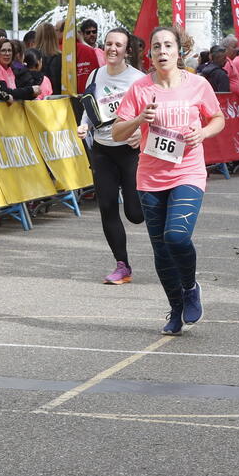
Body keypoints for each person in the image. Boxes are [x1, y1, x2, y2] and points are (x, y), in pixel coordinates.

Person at [112, 25, 224, 335]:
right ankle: (176, 308)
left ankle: (190, 287)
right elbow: (117, 132)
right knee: (161, 250)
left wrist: (201, 132)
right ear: (150, 53)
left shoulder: (198, 85)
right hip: (150, 178)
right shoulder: (141, 89)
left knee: (176, 237)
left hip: (187, 171)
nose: (162, 52)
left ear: (179, 52)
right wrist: (138, 120)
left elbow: (218, 118)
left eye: (168, 46)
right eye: (157, 47)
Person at [76, 27, 145, 285]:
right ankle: (122, 265)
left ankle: (158, 205)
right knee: (106, 207)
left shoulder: (138, 79)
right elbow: (89, 107)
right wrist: (85, 125)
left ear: (127, 50)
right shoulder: (95, 74)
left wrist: (142, 132)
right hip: (103, 149)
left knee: (135, 213)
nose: (112, 49)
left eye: (118, 45)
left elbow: (151, 111)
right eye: (108, 44)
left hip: (129, 150)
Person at [0, 31, 39, 101]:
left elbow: (14, 92)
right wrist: (30, 90)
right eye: (3, 50)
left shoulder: (9, 69)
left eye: (10, 50)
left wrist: (30, 94)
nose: (7, 54)